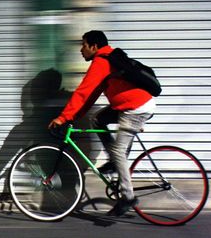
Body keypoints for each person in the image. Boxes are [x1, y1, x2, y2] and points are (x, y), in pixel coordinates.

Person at [48, 30, 156, 216]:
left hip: (135, 108)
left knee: (118, 150)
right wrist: (70, 116)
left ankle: (128, 197)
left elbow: (82, 92)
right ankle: (115, 162)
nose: (81, 49)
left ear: (94, 46)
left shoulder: (101, 61)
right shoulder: (107, 58)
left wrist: (62, 118)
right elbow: (89, 97)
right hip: (127, 106)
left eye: (83, 45)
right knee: (97, 119)